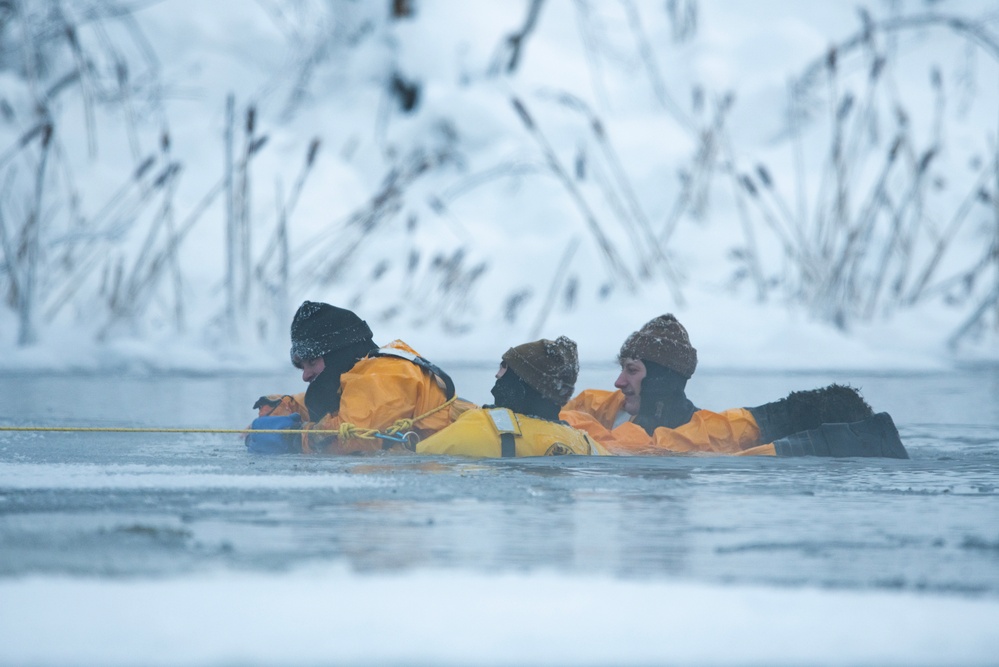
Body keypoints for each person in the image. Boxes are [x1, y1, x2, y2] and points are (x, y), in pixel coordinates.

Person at [561, 314, 908, 458]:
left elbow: (627, 445)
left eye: (632, 371)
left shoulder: (698, 436)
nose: (619, 382)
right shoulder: (606, 409)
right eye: (622, 369)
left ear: (662, 378)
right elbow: (575, 410)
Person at [247, 301, 471, 454]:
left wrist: (290, 438)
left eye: (312, 362)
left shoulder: (382, 376)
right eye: (302, 367)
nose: (305, 375)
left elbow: (351, 435)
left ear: (338, 354)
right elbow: (343, 404)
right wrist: (283, 407)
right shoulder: (361, 374)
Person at [417, 336, 607, 457]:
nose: (498, 375)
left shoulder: (479, 426)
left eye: (504, 367)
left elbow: (419, 458)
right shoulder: (588, 445)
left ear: (522, 381)